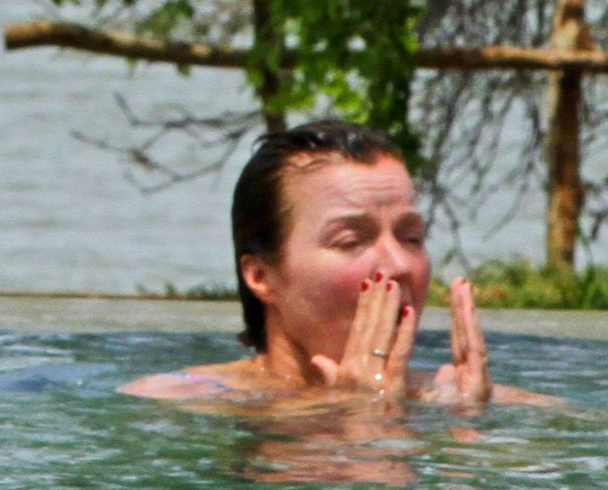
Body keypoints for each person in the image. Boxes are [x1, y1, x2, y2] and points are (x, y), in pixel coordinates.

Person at [122, 117, 542, 409]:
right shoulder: (179, 404)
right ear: (261, 276)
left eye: (412, 237)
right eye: (350, 241)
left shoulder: (477, 402)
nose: (398, 264)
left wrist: (470, 435)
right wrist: (358, 419)